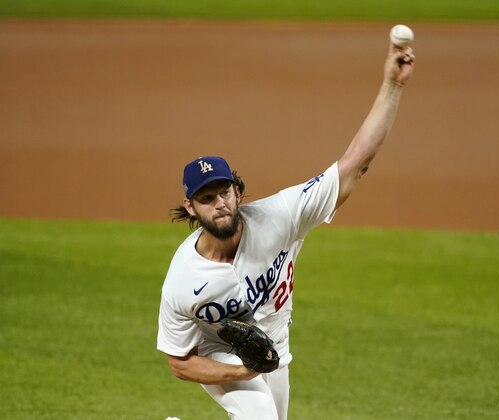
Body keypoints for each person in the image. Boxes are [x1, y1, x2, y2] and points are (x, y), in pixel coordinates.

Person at [157, 38, 414, 419]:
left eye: (223, 192)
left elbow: (355, 164)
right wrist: (244, 370)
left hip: (277, 348)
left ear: (238, 192)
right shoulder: (183, 280)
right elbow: (180, 362)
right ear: (190, 207)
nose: (219, 203)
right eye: (206, 198)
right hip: (221, 358)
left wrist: (393, 86)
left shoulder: (281, 216)